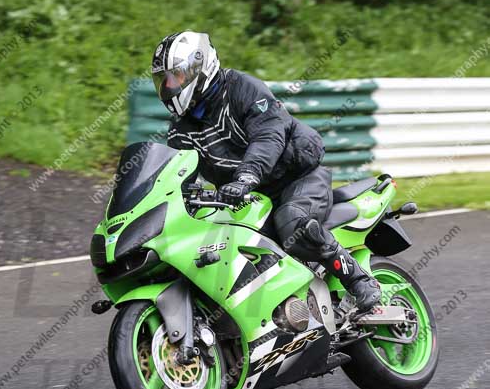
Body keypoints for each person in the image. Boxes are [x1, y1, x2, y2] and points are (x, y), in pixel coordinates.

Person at [151, 30, 380, 312]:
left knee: (293, 222)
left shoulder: (241, 88)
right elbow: (178, 171)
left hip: (296, 177)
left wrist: (247, 176)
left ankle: (359, 280)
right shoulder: (180, 128)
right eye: (164, 79)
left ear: (200, 67)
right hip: (249, 196)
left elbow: (269, 135)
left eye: (176, 76)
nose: (169, 86)